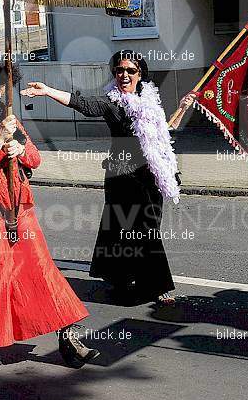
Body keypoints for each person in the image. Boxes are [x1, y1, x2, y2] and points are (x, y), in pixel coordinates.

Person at [0, 59, 100, 370]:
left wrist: (20, 150)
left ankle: (69, 337)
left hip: (19, 209)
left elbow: (34, 158)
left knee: (43, 272)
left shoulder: (10, 119)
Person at [22, 50, 188, 307]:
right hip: (123, 176)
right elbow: (85, 105)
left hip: (150, 177)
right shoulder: (112, 102)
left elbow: (161, 134)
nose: (124, 75)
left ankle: (123, 276)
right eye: (119, 70)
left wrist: (182, 110)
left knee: (146, 228)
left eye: (130, 71)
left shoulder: (149, 100)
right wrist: (48, 91)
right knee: (129, 228)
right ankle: (152, 285)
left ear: (140, 74)